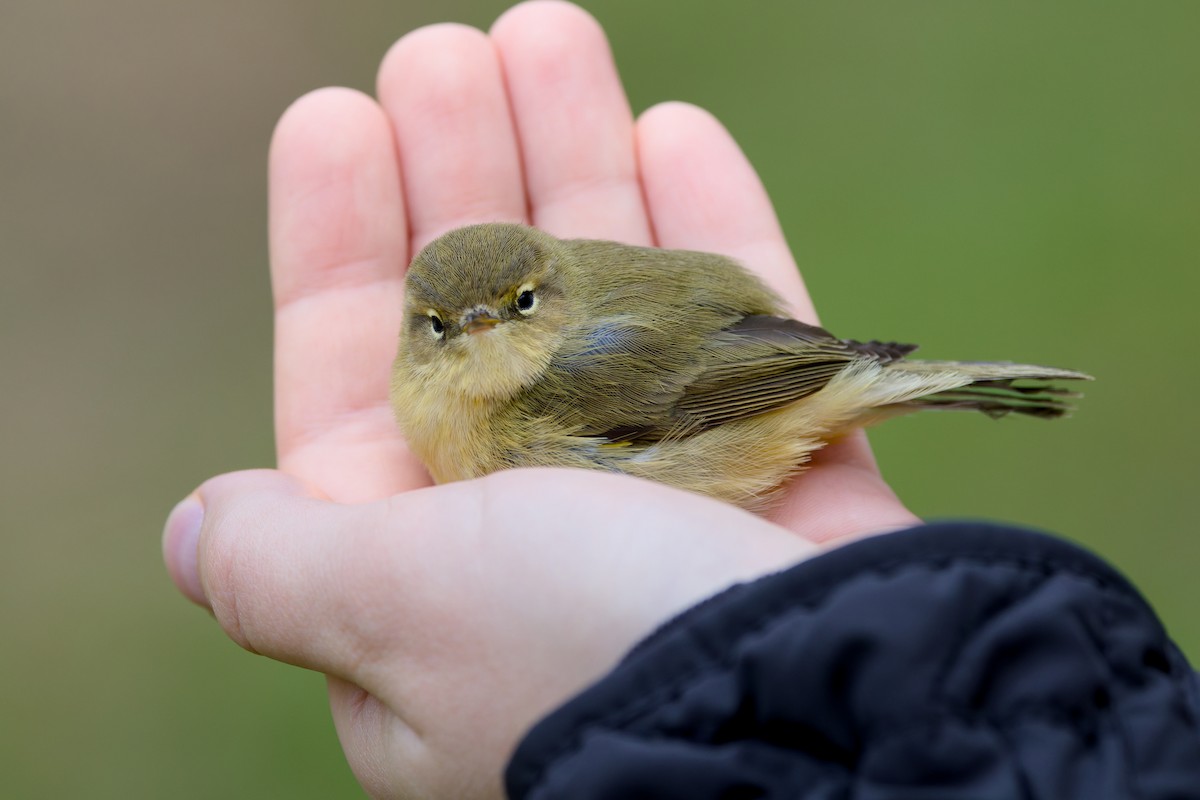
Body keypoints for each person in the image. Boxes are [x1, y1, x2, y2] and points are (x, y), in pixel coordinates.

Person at [161, 2, 1200, 797]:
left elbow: (721, 377)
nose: (480, 334)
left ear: (551, 290)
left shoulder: (554, 390)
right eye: (446, 326)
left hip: (744, 393)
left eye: (514, 308)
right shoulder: (439, 393)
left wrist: (842, 377)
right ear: (414, 330)